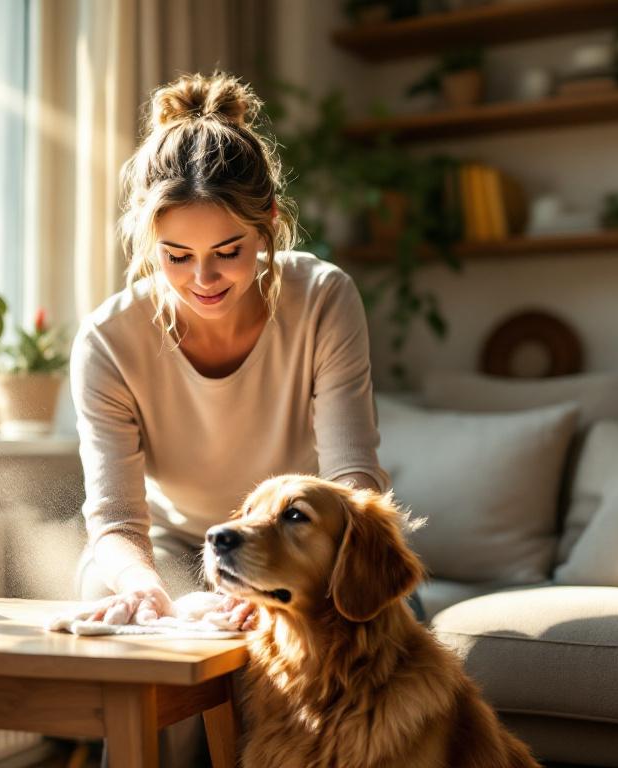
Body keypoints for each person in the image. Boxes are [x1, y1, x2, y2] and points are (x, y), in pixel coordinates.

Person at [72, 71, 396, 631]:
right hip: (169, 549)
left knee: (369, 641)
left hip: (293, 542)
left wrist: (272, 570)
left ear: (268, 220)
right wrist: (142, 587)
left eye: (227, 250)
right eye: (176, 255)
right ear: (150, 242)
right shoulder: (108, 340)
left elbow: (351, 482)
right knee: (123, 614)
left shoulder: (322, 297)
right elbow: (119, 522)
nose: (203, 279)